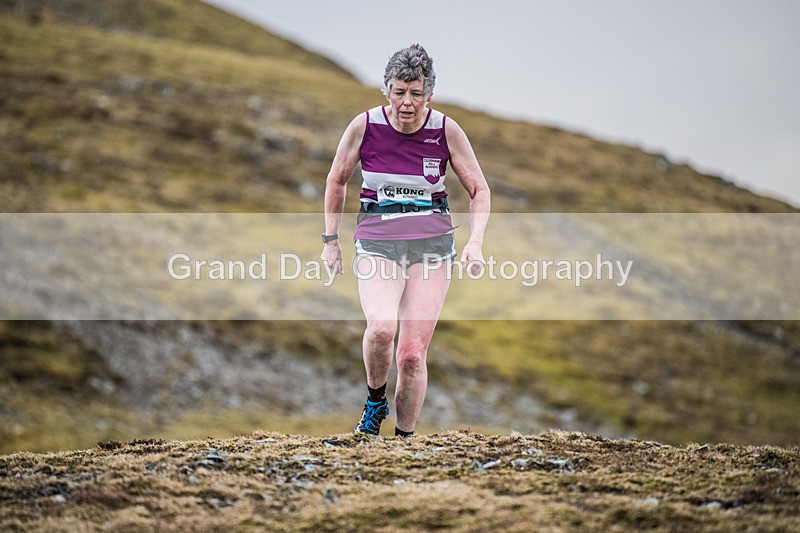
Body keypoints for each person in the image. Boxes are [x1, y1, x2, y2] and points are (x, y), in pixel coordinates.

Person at [321, 44, 490, 437]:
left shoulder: (445, 130)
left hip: (432, 249)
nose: (407, 103)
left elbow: (479, 189)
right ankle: (375, 402)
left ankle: (404, 442)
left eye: (416, 93)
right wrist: (330, 241)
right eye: (399, 92)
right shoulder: (364, 126)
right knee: (382, 329)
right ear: (387, 90)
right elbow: (336, 179)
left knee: (412, 355)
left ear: (429, 93)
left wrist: (475, 242)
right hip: (378, 243)